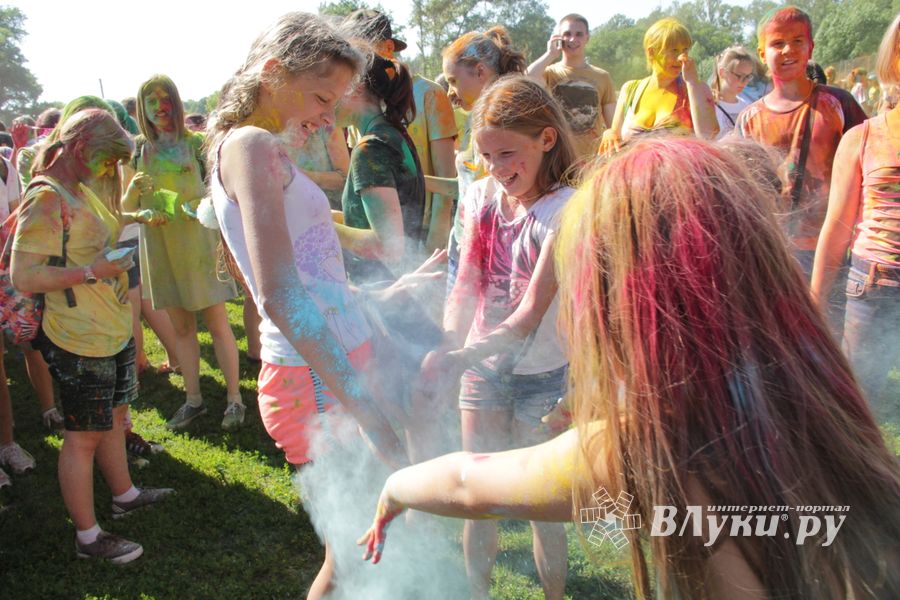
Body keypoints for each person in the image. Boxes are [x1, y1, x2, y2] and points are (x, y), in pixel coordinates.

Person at [359, 135, 900, 600]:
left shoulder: (652, 444)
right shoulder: (819, 396)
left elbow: (467, 482)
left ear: (623, 305)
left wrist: (395, 489)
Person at [205, 12, 410, 598]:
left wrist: (373, 297)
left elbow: (307, 267)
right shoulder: (251, 144)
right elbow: (280, 294)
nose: (329, 116)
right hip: (319, 378)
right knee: (348, 555)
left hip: (326, 363)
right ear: (273, 72)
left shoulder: (258, 148)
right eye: (322, 96)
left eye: (337, 101)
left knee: (357, 546)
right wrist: (369, 413)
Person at [412, 76, 576, 600]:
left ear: (546, 140)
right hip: (482, 368)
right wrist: (447, 344)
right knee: (475, 497)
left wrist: (459, 357)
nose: (497, 169)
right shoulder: (482, 194)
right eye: (486, 156)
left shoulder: (565, 207)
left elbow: (529, 315)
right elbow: (466, 284)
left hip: (544, 377)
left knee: (540, 506)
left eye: (508, 154)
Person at [10, 109, 174, 563]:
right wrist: (91, 272)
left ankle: (124, 495)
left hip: (109, 328)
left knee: (113, 419)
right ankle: (88, 538)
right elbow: (23, 275)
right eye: (107, 162)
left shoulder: (79, 188)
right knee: (82, 436)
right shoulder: (46, 197)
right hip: (78, 337)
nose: (109, 172)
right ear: (81, 148)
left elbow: (97, 237)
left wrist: (128, 224)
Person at [126, 74, 244, 431]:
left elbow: (223, 193)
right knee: (181, 330)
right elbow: (125, 205)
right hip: (161, 248)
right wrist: (139, 208)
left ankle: (234, 399)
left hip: (199, 248)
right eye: (151, 101)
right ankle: (193, 400)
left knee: (219, 325)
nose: (159, 107)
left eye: (165, 99)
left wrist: (201, 204)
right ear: (142, 108)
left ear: (176, 103)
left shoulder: (197, 144)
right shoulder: (137, 151)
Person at [811, 15, 900, 418]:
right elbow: (837, 227)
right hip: (875, 287)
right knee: (858, 402)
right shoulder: (864, 137)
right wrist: (814, 302)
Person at [736, 6, 867, 277]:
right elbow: (742, 191)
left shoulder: (839, 104)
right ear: (762, 53)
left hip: (831, 248)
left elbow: (868, 165)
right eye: (778, 43)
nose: (788, 50)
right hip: (774, 249)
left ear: (811, 47)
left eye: (797, 41)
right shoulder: (749, 119)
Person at [346, 9, 459, 254]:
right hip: (379, 237)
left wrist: (437, 238)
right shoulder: (360, 104)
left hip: (423, 230)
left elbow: (447, 175)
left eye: (358, 52)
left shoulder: (429, 94)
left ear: (387, 47)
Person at [441, 27, 527, 294]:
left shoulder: (510, 122)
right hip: (462, 248)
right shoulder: (475, 121)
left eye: (453, 81)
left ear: (480, 72)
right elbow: (467, 186)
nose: (450, 93)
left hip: (491, 258)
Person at [334, 53, 426, 283]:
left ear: (356, 87)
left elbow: (389, 246)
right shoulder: (392, 133)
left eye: (332, 87)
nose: (326, 101)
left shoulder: (370, 148)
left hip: (382, 292)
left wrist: (323, 226)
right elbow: (379, 217)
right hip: (399, 286)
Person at [599, 17, 718, 154]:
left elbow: (708, 136)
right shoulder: (630, 89)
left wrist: (692, 83)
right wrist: (608, 133)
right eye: (674, 50)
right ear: (652, 52)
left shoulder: (696, 88)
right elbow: (616, 135)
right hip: (636, 174)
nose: (681, 57)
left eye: (685, 50)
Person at [526, 13, 616, 159]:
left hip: (593, 160)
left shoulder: (602, 77)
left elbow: (613, 125)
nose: (573, 39)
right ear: (558, 37)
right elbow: (527, 78)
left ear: (587, 37)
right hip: (557, 159)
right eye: (567, 34)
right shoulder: (550, 73)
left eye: (579, 34)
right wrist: (550, 54)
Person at [711, 46, 755, 139]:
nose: (744, 82)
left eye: (748, 76)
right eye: (739, 76)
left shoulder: (747, 106)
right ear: (722, 73)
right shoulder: (708, 105)